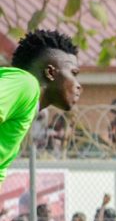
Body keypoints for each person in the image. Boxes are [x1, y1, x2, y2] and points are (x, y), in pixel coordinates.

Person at [0, 29, 81, 186]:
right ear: (50, 72)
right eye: (73, 73)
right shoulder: (25, 84)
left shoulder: (26, 104)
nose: (78, 86)